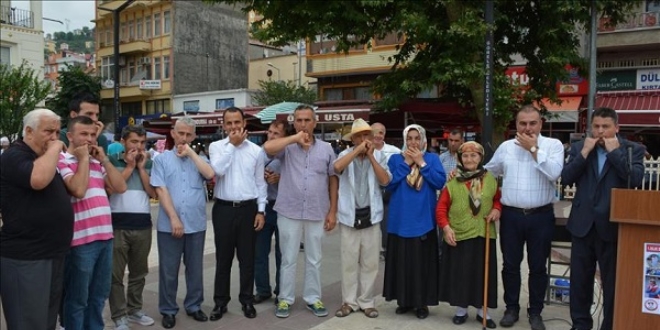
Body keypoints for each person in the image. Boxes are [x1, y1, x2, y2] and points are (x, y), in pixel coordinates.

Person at [561, 107, 644, 330]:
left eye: (605, 127)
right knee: (580, 282)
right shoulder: (580, 148)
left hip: (613, 226)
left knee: (612, 283)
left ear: (616, 128)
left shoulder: (631, 150)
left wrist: (614, 152)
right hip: (582, 225)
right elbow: (566, 177)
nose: (600, 132)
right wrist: (584, 154)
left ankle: (610, 325)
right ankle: (580, 324)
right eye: (596, 126)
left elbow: (634, 179)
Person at [485, 104, 564, 330]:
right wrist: (463, 174)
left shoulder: (553, 145)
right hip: (511, 216)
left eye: (532, 123)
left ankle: (535, 311)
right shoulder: (506, 147)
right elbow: (489, 172)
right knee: (510, 265)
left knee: (538, 266)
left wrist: (533, 149)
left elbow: (555, 173)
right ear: (516, 124)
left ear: (540, 124)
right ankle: (511, 308)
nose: (527, 128)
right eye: (523, 123)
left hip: (541, 216)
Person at [0, 109, 73, 330]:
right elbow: (38, 180)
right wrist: (55, 148)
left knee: (45, 322)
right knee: (28, 322)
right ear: (29, 132)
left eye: (57, 132)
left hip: (50, 254)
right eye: (49, 131)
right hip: (27, 258)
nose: (54, 137)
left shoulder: (42, 158)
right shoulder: (15, 155)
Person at [263, 104, 338, 319]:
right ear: (294, 123)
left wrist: (333, 210)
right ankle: (285, 299)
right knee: (288, 257)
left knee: (314, 257)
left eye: (307, 120)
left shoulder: (326, 149)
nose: (303, 124)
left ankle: (313, 298)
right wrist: (294, 138)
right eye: (299, 120)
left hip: (317, 210)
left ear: (315, 122)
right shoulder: (287, 147)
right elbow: (268, 147)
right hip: (289, 210)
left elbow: (333, 179)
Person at [58, 116, 127, 330]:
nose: (89, 139)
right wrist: (84, 159)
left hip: (105, 237)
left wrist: (104, 159)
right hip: (80, 242)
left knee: (98, 297)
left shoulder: (97, 160)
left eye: (92, 135)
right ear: (70, 136)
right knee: (78, 299)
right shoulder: (61, 160)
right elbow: (78, 190)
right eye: (83, 134)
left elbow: (120, 187)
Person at [150, 117, 215, 329]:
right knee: (169, 270)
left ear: (194, 136)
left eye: (189, 134)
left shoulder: (198, 159)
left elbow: (210, 174)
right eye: (181, 133)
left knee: (195, 268)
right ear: (173, 133)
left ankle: (194, 305)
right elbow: (161, 190)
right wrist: (173, 218)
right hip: (170, 225)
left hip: (196, 223)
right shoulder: (162, 160)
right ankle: (168, 309)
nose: (184, 138)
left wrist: (192, 153)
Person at [208, 107, 266, 320]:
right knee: (223, 259)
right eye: (229, 123)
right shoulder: (216, 147)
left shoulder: (256, 151)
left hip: (249, 208)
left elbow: (261, 183)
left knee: (247, 259)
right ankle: (220, 303)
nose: (234, 127)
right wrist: (232, 147)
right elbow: (218, 171)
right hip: (223, 209)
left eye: (237, 122)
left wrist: (261, 210)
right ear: (224, 125)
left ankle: (247, 301)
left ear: (244, 123)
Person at [383, 124, 446, 319]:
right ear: (404, 140)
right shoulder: (395, 159)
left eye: (416, 138)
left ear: (423, 140)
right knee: (402, 264)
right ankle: (404, 301)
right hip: (399, 221)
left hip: (423, 221)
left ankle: (421, 304)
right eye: (409, 138)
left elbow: (439, 182)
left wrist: (421, 163)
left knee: (421, 265)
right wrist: (407, 162)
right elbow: (389, 183)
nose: (413, 142)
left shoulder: (432, 159)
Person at [436, 141, 501, 329]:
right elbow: (441, 207)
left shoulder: (490, 178)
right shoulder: (453, 180)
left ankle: (483, 311)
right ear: (460, 158)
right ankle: (461, 309)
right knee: (460, 273)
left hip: (484, 233)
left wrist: (497, 210)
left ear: (481, 157)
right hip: (459, 233)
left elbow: (497, 199)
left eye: (474, 155)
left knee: (482, 273)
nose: (469, 159)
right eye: (465, 156)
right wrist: (446, 228)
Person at [333, 119, 391, 319]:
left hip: (372, 216)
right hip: (349, 217)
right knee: (348, 262)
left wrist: (372, 157)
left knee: (370, 262)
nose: (364, 139)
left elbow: (385, 180)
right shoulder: (344, 154)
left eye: (367, 135)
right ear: (353, 139)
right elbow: (336, 169)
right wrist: (357, 152)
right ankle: (349, 301)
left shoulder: (381, 155)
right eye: (359, 136)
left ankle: (366, 302)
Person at [108, 125, 158, 330]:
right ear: (123, 141)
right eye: (134, 142)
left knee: (139, 272)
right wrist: (129, 167)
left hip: (142, 225)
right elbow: (112, 188)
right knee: (115, 275)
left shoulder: (149, 163)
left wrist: (140, 168)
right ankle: (119, 316)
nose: (138, 147)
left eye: (142, 142)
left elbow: (153, 193)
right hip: (117, 225)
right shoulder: (111, 161)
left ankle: (134, 310)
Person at [253, 120, 288, 304]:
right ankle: (262, 289)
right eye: (270, 132)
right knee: (260, 252)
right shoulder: (260, 153)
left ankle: (281, 290)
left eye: (276, 133)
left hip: (283, 207)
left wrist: (280, 179)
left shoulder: (289, 154)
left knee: (282, 253)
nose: (272, 136)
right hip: (263, 208)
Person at [370, 122, 401, 260]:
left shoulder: (395, 151)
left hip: (389, 192)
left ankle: (387, 249)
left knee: (387, 222)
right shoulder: (363, 149)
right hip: (370, 192)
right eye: (374, 132)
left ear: (384, 134)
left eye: (381, 132)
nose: (377, 135)